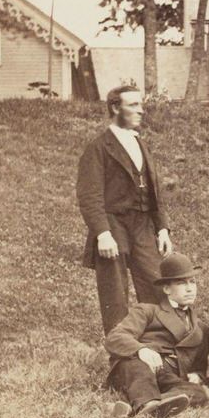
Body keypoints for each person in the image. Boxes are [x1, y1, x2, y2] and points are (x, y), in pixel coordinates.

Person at [77, 84, 173, 333]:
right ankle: (121, 354)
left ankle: (158, 343)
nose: (141, 111)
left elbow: (154, 190)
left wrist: (162, 228)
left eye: (141, 105)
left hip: (142, 225)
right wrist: (103, 233)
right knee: (114, 295)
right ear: (115, 108)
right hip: (113, 225)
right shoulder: (98, 148)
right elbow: (89, 196)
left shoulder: (140, 144)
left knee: (156, 284)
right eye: (133, 105)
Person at [104, 253, 209, 418]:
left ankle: (142, 408)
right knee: (136, 367)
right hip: (139, 367)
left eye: (192, 282)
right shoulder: (147, 311)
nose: (190, 288)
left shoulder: (202, 329)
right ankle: (148, 404)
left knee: (198, 393)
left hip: (168, 378)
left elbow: (200, 366)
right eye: (181, 283)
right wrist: (141, 349)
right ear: (167, 289)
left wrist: (198, 375)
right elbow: (115, 337)